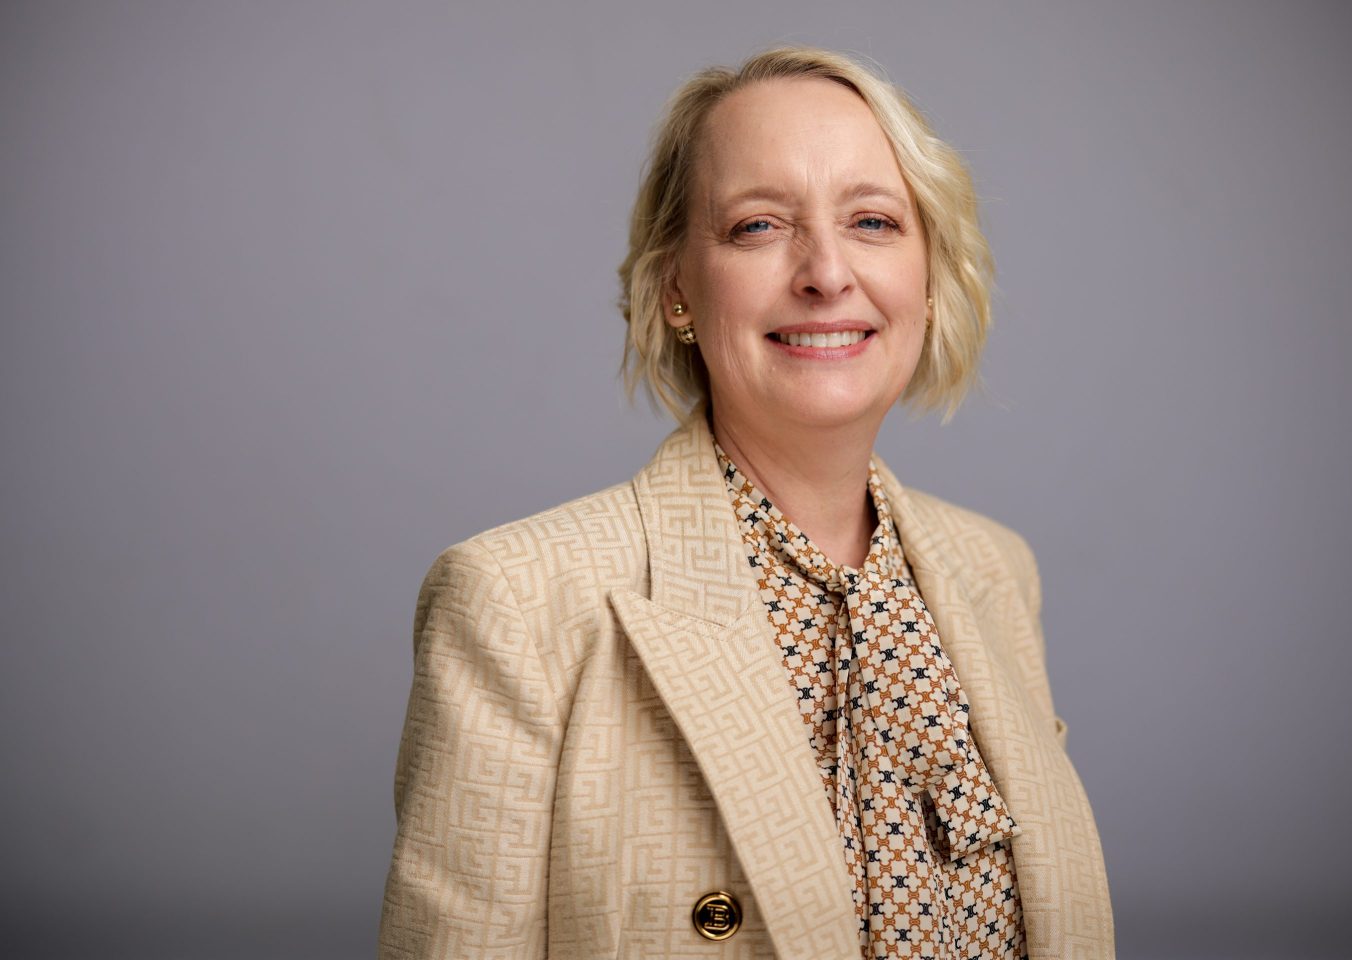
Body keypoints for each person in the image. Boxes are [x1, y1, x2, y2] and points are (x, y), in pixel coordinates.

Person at [378, 45, 1114, 960]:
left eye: (874, 221)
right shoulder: (516, 600)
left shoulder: (995, 571)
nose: (826, 273)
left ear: (931, 277)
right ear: (676, 289)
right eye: (759, 226)